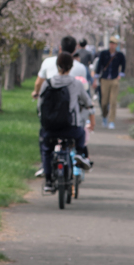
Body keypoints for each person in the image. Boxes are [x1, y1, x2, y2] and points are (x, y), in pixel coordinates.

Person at [37, 51, 93, 193]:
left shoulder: (48, 83)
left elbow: (40, 105)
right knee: (80, 134)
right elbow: (87, 102)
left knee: (46, 149)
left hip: (50, 128)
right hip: (70, 127)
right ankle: (80, 154)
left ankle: (49, 180)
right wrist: (89, 108)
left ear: (57, 66)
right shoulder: (76, 83)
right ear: (71, 66)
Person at [96, 35, 126, 129]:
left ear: (116, 45)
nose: (112, 45)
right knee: (104, 102)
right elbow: (99, 65)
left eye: (114, 44)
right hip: (104, 79)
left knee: (113, 101)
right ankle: (104, 116)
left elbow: (123, 65)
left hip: (114, 79)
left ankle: (111, 120)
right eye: (111, 43)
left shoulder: (119, 55)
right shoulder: (103, 53)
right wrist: (96, 76)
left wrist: (120, 75)